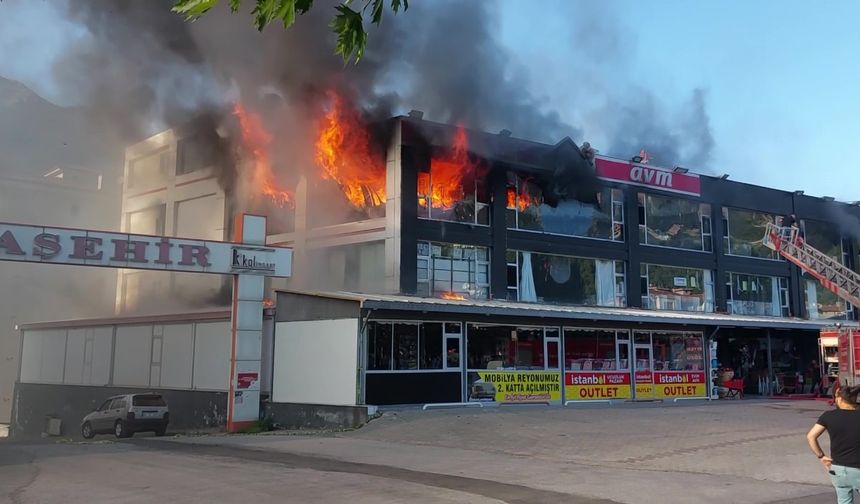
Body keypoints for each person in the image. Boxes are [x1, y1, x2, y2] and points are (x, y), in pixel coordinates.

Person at [807, 385, 860, 503]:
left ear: (840, 398)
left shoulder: (828, 416)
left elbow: (811, 436)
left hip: (838, 470)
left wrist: (821, 456)